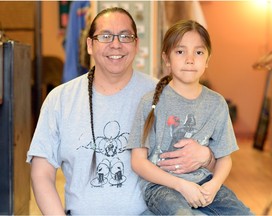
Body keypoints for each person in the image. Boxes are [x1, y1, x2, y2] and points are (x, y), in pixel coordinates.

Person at [26, 8, 215, 215]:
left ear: (136, 45)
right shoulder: (60, 99)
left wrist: (206, 156)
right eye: (105, 36)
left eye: (125, 36)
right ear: (90, 45)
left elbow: (205, 163)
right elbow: (42, 172)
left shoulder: (163, 95)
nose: (116, 44)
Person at [128, 20, 253, 215]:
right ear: (166, 59)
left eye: (199, 52)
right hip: (162, 187)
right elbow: (138, 161)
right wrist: (181, 185)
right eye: (180, 52)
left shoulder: (217, 103)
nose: (190, 59)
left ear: (207, 59)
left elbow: (225, 159)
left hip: (204, 182)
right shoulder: (150, 102)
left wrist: (214, 185)